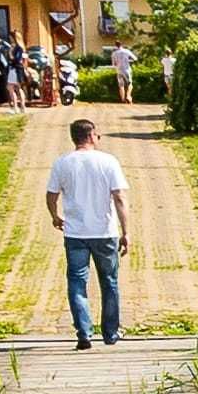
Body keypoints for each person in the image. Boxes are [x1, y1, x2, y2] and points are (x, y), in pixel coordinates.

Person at [47, 114, 129, 347]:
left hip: (75, 233)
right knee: (110, 282)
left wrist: (55, 216)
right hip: (104, 232)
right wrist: (126, 231)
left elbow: (51, 195)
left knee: (77, 282)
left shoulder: (62, 163)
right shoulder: (108, 162)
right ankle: (110, 333)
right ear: (92, 136)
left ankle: (84, 331)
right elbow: (120, 197)